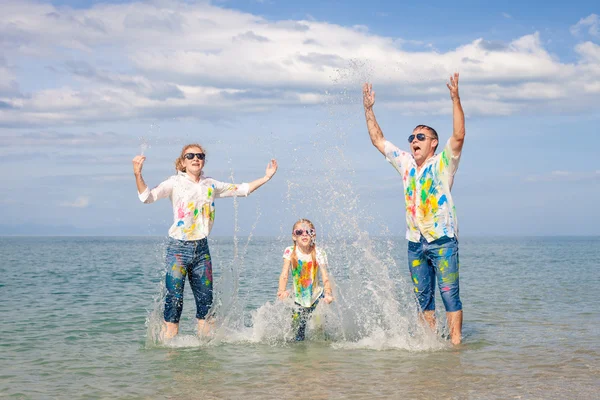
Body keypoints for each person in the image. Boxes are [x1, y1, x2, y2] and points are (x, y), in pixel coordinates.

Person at [132, 143, 278, 340]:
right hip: (178, 248)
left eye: (199, 156)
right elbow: (147, 197)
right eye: (190, 156)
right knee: (174, 301)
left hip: (202, 250)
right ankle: (169, 356)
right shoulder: (174, 182)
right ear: (182, 162)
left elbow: (242, 189)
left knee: (206, 304)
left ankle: (204, 356)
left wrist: (266, 177)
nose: (195, 159)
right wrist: (138, 174)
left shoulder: (210, 184)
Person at [362, 73, 466, 345]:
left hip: (442, 241)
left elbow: (458, 135)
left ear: (433, 142)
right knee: (423, 300)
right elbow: (377, 140)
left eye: (421, 136)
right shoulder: (406, 163)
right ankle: (429, 346)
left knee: (449, 295)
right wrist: (368, 110)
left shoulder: (443, 163)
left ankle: (456, 345)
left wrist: (455, 99)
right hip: (414, 243)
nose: (414, 140)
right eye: (411, 136)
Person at [277, 219, 334, 341]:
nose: (304, 234)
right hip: (298, 300)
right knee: (297, 333)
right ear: (294, 236)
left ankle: (320, 356)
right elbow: (284, 274)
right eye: (299, 232)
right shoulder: (290, 251)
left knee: (319, 330)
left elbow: (325, 276)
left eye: (308, 231)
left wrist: (328, 294)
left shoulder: (319, 252)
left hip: (317, 297)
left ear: (313, 235)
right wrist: (282, 291)